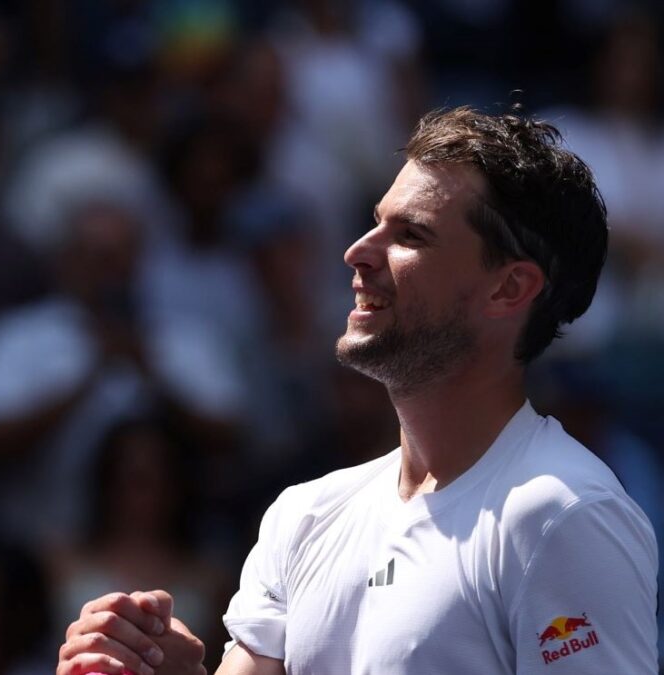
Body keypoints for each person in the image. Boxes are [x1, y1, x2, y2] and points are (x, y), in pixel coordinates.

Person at [56, 107, 659, 675]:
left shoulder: (565, 517)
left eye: (411, 235)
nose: (357, 251)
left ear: (508, 290)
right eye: (376, 223)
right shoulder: (303, 515)